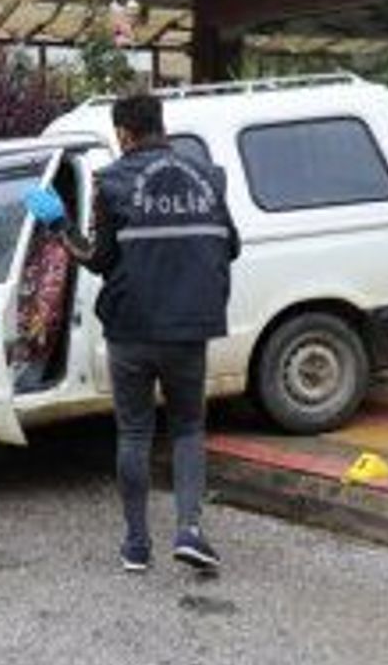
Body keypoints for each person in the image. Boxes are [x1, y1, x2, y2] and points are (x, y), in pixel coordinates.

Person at [25, 93, 240, 573]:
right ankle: (189, 530)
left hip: (131, 329)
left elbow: (98, 259)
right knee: (188, 428)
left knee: (136, 432)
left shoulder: (112, 182)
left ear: (123, 134)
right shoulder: (209, 176)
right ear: (161, 126)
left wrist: (59, 225)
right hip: (190, 328)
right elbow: (232, 247)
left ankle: (137, 545)